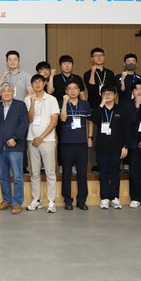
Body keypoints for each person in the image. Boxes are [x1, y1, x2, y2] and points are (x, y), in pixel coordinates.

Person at [0, 83, 29, 214]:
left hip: (15, 146)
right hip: (1, 146)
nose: (6, 93)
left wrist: (16, 138)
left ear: (13, 92)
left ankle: (17, 203)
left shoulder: (20, 105)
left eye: (9, 90)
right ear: (0, 94)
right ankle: (6, 201)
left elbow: (24, 123)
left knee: (17, 176)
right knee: (3, 176)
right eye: (4, 91)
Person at [90, 85, 130, 210]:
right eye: (105, 93)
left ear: (115, 95)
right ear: (101, 95)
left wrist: (125, 146)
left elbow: (127, 130)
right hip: (101, 147)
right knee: (103, 173)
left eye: (110, 93)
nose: (107, 95)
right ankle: (105, 198)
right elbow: (94, 119)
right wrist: (101, 104)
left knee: (115, 173)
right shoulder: (99, 109)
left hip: (116, 148)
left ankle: (115, 198)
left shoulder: (121, 110)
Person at [25, 74, 59, 213]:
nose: (37, 84)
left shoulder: (51, 99)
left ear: (44, 83)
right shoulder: (27, 99)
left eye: (40, 81)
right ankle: (36, 200)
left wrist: (41, 137)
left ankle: (51, 201)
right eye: (35, 82)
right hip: (31, 140)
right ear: (32, 85)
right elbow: (30, 119)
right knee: (34, 172)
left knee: (50, 172)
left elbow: (54, 121)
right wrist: (32, 104)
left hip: (47, 140)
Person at [59, 81, 92, 210]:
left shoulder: (85, 104)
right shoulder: (62, 103)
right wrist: (64, 103)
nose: (72, 91)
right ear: (66, 91)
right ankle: (67, 200)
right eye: (70, 89)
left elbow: (89, 121)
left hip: (82, 143)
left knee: (82, 173)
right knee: (66, 173)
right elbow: (62, 118)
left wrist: (90, 137)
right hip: (66, 143)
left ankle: (81, 200)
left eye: (75, 88)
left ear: (79, 90)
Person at [83, 47, 116, 174]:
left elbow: (113, 91)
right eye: (96, 55)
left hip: (109, 107)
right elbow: (91, 88)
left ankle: (111, 161)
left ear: (104, 57)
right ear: (92, 59)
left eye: (101, 55)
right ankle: (95, 164)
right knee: (94, 135)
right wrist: (93, 72)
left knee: (110, 134)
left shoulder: (110, 73)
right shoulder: (88, 73)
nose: (99, 57)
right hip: (94, 106)